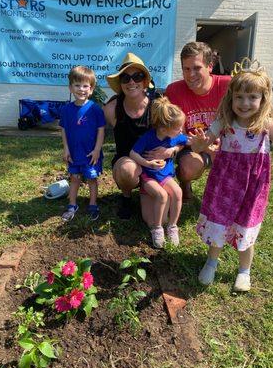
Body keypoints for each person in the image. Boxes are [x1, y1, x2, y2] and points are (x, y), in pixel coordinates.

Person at [189, 58, 273, 291]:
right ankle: (211, 261)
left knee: (246, 224)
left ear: (263, 99)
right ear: (231, 97)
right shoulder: (223, 121)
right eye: (239, 97)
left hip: (253, 184)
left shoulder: (266, 125)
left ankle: (244, 270)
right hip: (225, 183)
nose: (245, 103)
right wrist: (198, 143)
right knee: (219, 221)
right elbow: (201, 145)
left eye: (252, 97)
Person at [104, 53, 170, 221]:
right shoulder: (112, 109)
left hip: (153, 165)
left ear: (145, 81)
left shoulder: (158, 105)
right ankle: (126, 197)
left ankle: (152, 190)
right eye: (125, 78)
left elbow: (176, 134)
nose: (131, 82)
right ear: (120, 84)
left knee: (158, 221)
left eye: (137, 76)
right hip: (128, 162)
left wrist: (171, 151)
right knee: (127, 170)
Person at [165, 42, 231, 201]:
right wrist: (205, 146)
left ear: (210, 66)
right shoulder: (174, 90)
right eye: (186, 69)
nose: (191, 74)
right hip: (191, 144)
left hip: (226, 144)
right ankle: (185, 182)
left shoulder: (228, 84)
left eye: (196, 68)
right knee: (188, 168)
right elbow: (177, 132)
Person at [130, 97, 188, 248]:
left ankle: (173, 227)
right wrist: (147, 163)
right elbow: (133, 154)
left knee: (178, 193)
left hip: (165, 175)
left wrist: (172, 150)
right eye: (178, 128)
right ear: (163, 128)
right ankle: (157, 228)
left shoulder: (173, 136)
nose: (181, 130)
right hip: (148, 175)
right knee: (162, 195)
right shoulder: (148, 137)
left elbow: (186, 141)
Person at [59, 66, 106, 222]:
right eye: (77, 85)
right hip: (74, 153)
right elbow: (64, 130)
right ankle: (72, 205)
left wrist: (97, 150)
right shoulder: (66, 110)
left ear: (91, 89)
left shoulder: (95, 109)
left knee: (92, 179)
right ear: (70, 87)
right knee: (74, 178)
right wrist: (66, 148)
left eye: (85, 85)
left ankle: (93, 204)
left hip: (90, 153)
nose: (81, 89)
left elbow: (101, 130)